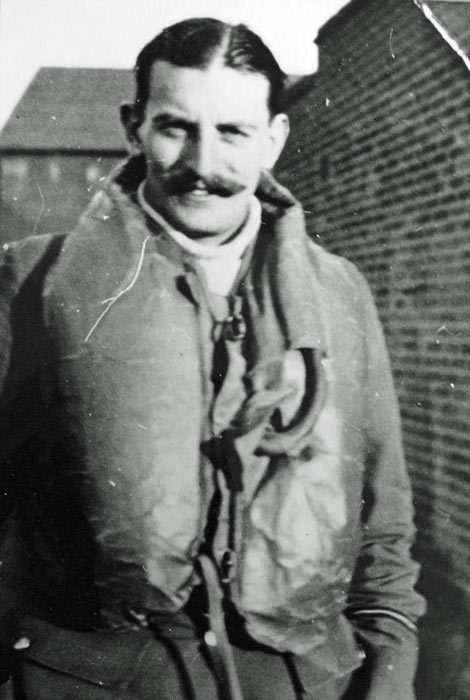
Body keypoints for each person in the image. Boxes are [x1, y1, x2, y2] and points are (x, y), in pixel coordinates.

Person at [0, 17, 425, 700]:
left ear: (274, 139)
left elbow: (384, 522)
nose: (202, 164)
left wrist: (389, 675)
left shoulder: (340, 292)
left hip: (302, 680)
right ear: (133, 127)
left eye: (232, 132)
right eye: (176, 128)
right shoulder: (33, 283)